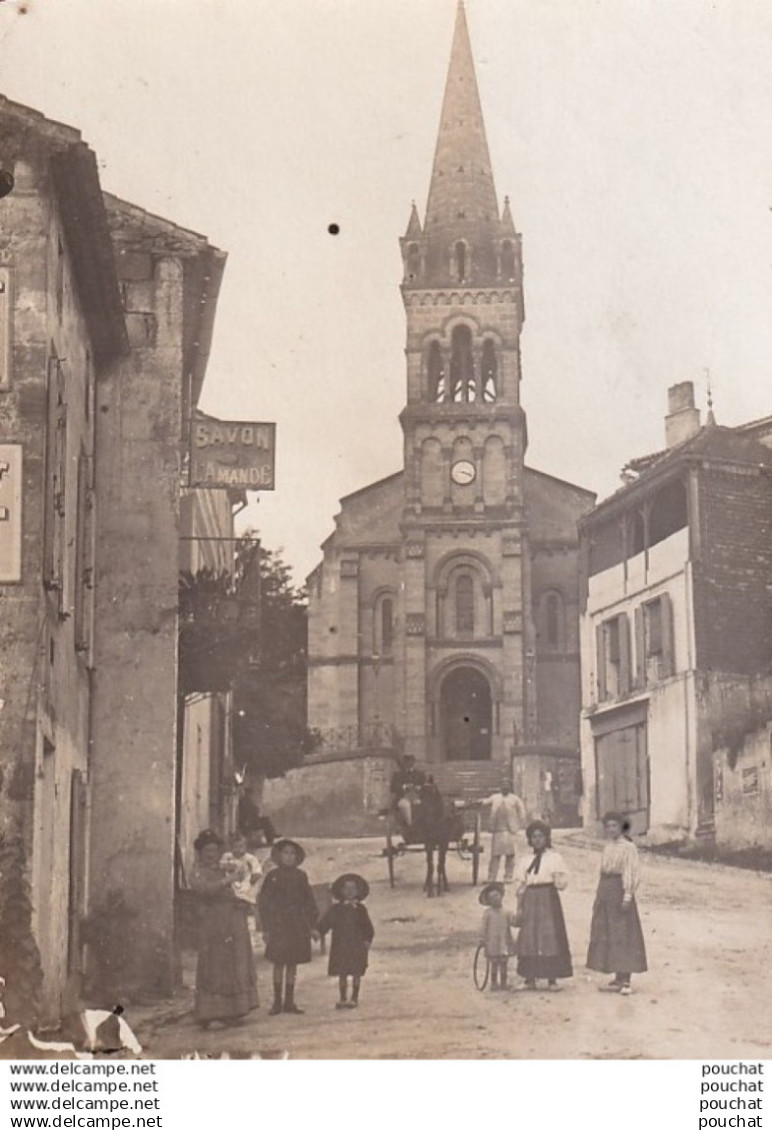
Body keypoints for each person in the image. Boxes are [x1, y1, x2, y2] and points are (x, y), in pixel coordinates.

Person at [189, 829, 259, 1028]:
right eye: (207, 850)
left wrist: (243, 900)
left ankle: (233, 1010)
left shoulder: (224, 868)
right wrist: (228, 880)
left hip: (232, 919)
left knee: (234, 962)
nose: (211, 854)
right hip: (214, 923)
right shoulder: (197, 871)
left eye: (214, 850)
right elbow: (204, 890)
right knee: (215, 964)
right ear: (200, 852)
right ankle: (210, 1011)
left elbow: (239, 887)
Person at [586, 811, 647, 996]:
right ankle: (617, 977)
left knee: (623, 934)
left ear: (621, 827)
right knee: (609, 934)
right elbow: (602, 871)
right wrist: (599, 896)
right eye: (608, 826)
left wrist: (627, 896)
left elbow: (630, 871)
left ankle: (626, 979)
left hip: (620, 891)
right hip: (606, 891)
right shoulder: (608, 847)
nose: (611, 829)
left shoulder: (628, 847)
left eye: (614, 825)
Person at [258, 838, 319, 1015]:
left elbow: (309, 901)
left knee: (292, 963)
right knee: (278, 962)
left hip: (297, 924)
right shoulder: (272, 876)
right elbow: (264, 903)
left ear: (297, 857)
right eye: (285, 853)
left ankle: (289, 1002)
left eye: (292, 853)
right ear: (278, 855)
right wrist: (266, 928)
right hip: (278, 924)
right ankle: (277, 1002)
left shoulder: (301, 876)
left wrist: (313, 925)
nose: (289, 857)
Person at [515, 820, 573, 992]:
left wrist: (557, 878)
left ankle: (552, 979)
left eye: (541, 836)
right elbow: (521, 886)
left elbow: (562, 884)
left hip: (548, 899)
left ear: (547, 838)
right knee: (529, 937)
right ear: (529, 839)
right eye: (534, 836)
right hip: (530, 898)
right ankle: (529, 979)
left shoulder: (555, 858)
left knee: (549, 937)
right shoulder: (525, 860)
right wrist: (519, 906)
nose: (538, 840)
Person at [318, 873, 375, 1010]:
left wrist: (367, 940)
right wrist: (317, 931)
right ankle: (343, 997)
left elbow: (368, 927)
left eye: (353, 889)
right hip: (341, 945)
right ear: (341, 891)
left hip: (357, 945)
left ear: (358, 891)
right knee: (342, 972)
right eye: (346, 889)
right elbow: (326, 923)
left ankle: (354, 997)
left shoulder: (360, 909)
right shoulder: (336, 909)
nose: (349, 892)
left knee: (356, 972)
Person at [480, 778, 526, 882]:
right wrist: (476, 803)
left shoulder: (515, 799)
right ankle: (491, 877)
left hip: (511, 831)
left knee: (510, 855)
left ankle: (508, 877)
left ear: (510, 787)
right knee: (495, 856)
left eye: (507, 785)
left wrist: (518, 824)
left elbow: (522, 812)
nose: (505, 787)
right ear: (500, 787)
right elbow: (485, 802)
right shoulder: (495, 797)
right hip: (498, 831)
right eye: (503, 784)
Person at [478, 881, 519, 991]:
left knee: (504, 964)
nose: (496, 899)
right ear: (489, 901)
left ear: (501, 897)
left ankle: (504, 983)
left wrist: (520, 916)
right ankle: (494, 983)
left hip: (504, 942)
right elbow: (483, 927)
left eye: (497, 896)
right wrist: (482, 938)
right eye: (492, 897)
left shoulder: (506, 912)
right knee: (494, 964)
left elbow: (514, 922)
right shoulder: (488, 914)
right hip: (492, 943)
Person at [390, 754, 426, 832]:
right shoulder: (397, 775)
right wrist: (404, 787)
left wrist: (419, 787)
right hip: (402, 798)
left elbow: (424, 786)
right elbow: (393, 787)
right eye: (406, 762)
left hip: (416, 797)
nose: (409, 763)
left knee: (420, 805)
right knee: (406, 805)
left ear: (413, 762)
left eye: (411, 761)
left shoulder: (420, 774)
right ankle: (410, 827)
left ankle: (420, 825)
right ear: (404, 763)